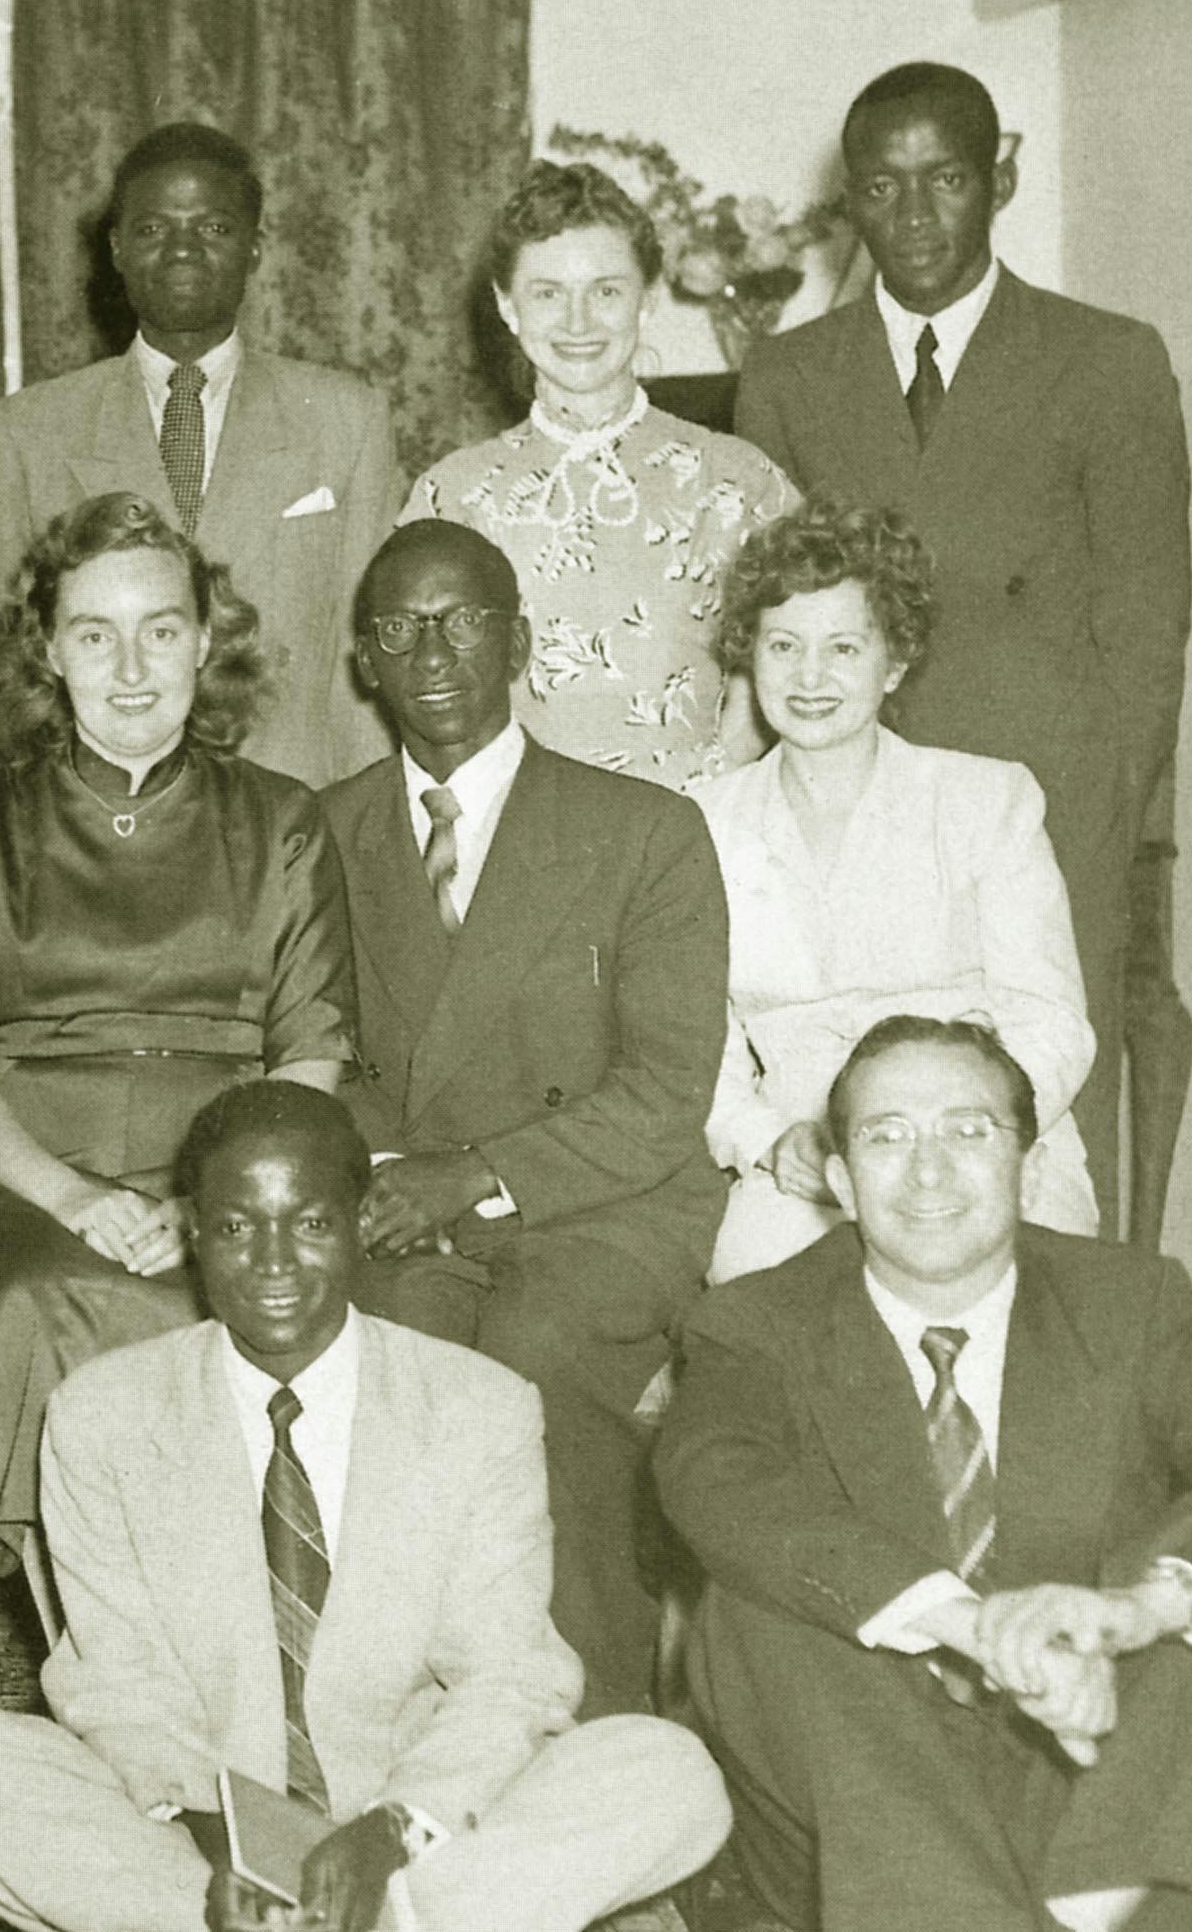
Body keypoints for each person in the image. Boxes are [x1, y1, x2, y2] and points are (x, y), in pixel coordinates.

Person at [0, 1082, 730, 1932]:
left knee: (667, 1771)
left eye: (312, 1223)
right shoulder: (101, 1414)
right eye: (235, 1226)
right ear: (190, 1230)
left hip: (414, 1823)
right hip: (198, 1832)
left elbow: (507, 1678)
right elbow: (120, 1693)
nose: (273, 1261)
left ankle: (391, 1920)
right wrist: (229, 1850)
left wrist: (393, 1831)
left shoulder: (480, 1406)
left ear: (363, 1222)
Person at [736, 62, 1192, 1240]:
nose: (915, 216)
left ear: (1000, 177)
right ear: (849, 200)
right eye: (881, 189)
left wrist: (1097, 814)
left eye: (945, 180)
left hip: (1044, 813)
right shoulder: (789, 374)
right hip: (848, 805)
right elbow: (775, 612)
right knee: (864, 1143)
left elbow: (1146, 630)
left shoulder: (1107, 357)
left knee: (1016, 1143)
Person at [659, 1017, 1192, 1932]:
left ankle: (1077, 1903)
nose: (928, 1171)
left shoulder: (1133, 1302)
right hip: (868, 1789)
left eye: (969, 1130)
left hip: (1099, 1779)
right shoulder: (757, 1321)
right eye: (887, 1136)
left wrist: (1130, 1615)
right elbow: (711, 1476)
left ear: (1029, 1162)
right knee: (758, 1600)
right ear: (840, 1180)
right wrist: (980, 1629)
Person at [319, 519, 727, 1718]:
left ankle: (595, 1726)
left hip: (604, 1201)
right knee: (393, 1341)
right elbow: (308, 1048)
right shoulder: (319, 833)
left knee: (538, 1356)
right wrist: (394, 1168)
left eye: (462, 620)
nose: (431, 649)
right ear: (361, 661)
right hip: (398, 1195)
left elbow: (662, 1095)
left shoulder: (643, 830)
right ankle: (405, 1727)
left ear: (520, 643)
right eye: (398, 626)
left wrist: (477, 1172)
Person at [0, 490, 355, 1557]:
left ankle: (248, 1634)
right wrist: (74, 1196)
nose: (132, 669)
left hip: (232, 1176)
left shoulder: (282, 820)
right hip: (13, 1186)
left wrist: (205, 1200)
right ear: (48, 652)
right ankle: (101, 1653)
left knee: (255, 1290)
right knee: (47, 1297)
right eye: (92, 636)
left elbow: (311, 1054)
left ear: (204, 640)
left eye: (159, 630)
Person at [692, 501, 1097, 1281]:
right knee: (752, 1299)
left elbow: (1052, 1021)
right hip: (808, 1164)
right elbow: (697, 1059)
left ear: (896, 661)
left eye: (844, 647)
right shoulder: (703, 825)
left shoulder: (988, 800)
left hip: (985, 1139)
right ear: (751, 656)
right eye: (784, 645)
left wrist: (967, 1133)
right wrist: (768, 1141)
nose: (810, 678)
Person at [0, 122, 402, 789]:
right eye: (151, 229)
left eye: (213, 228)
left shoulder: (347, 419)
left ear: (255, 248)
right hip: (94, 825)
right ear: (115, 248)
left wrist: (358, 837)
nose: (181, 249)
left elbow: (369, 662)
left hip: (294, 816)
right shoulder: (30, 429)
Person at [403, 160, 799, 787]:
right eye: (548, 292)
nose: (579, 322)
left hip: (697, 830)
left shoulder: (739, 482)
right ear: (507, 306)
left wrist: (714, 790)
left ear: (647, 300)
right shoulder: (450, 496)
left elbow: (788, 659)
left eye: (607, 290)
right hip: (519, 839)